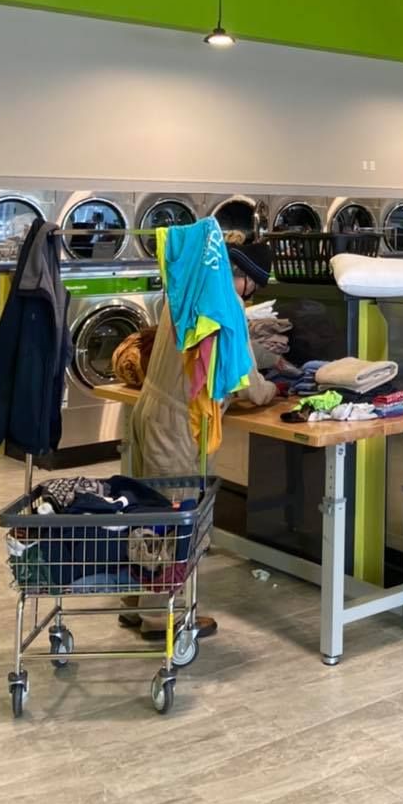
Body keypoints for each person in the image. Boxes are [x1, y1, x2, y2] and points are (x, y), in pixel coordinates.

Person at [120, 235, 277, 641]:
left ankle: (140, 603)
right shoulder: (226, 305)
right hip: (176, 423)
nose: (251, 294)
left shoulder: (187, 289)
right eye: (254, 286)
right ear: (242, 277)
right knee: (176, 517)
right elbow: (243, 380)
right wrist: (274, 391)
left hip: (150, 409)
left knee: (148, 512)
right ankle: (162, 619)